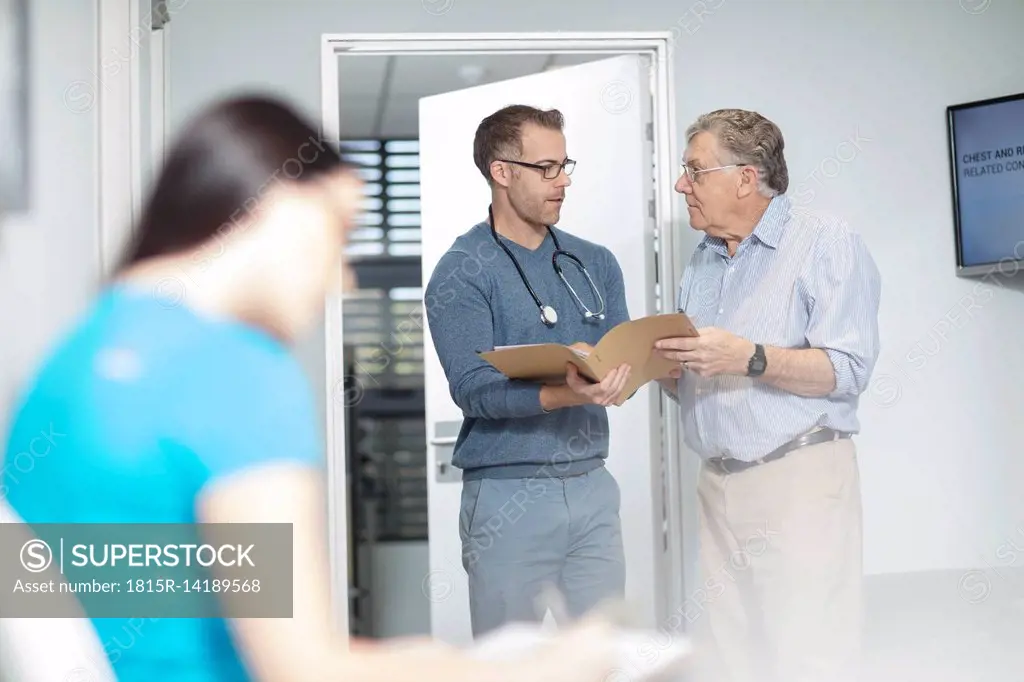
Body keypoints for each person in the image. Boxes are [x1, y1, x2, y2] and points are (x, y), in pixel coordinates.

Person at [0, 94, 626, 682]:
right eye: (339, 234)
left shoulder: (73, 358)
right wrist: (514, 669)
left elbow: (148, 588)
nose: (344, 279)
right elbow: (307, 667)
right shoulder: (236, 374)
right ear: (278, 212)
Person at [654, 108, 881, 682]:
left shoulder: (826, 242)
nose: (683, 184)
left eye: (694, 171)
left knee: (808, 658)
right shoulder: (703, 260)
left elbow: (848, 368)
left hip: (796, 477)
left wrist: (751, 357)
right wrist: (656, 373)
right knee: (731, 659)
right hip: (715, 484)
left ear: (746, 178)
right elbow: (705, 379)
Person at [423, 104, 635, 638]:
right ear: (502, 171)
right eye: (546, 168)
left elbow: (622, 360)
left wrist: (623, 377)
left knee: (604, 659)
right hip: (508, 496)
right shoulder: (462, 272)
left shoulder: (596, 262)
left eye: (566, 166)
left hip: (592, 486)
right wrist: (564, 394)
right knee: (509, 665)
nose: (562, 182)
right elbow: (474, 392)